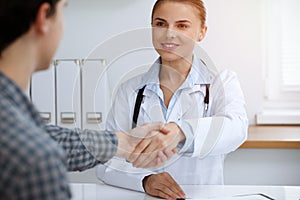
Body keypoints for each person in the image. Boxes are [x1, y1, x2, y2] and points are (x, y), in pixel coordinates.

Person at [0, 0, 177, 199]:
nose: (170, 34)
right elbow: (39, 146)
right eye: (62, 11)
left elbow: (46, 137)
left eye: (182, 25)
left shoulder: (16, 125)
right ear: (43, 18)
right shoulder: (37, 162)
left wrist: (125, 142)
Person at [97, 0, 248, 199]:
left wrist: (182, 131)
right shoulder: (130, 90)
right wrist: (145, 179)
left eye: (182, 25)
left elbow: (236, 129)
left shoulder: (222, 82)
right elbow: (106, 159)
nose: (169, 33)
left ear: (201, 32)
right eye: (160, 24)